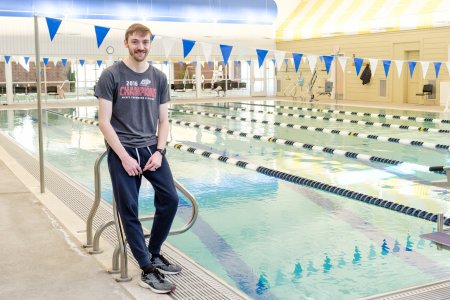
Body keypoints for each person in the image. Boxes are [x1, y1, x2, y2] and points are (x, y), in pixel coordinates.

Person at [95, 23, 180, 294]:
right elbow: (104, 123)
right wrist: (123, 157)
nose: (140, 47)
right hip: (123, 152)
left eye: (145, 42)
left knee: (170, 199)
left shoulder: (159, 77)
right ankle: (146, 269)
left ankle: (153, 251)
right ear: (126, 43)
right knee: (128, 210)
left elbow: (164, 120)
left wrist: (160, 151)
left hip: (151, 151)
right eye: (135, 42)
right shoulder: (111, 75)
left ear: (150, 43)